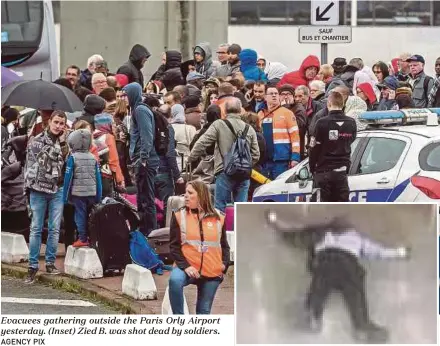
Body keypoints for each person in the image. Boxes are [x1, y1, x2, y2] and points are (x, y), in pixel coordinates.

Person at [266, 213, 409, 343]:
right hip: (347, 265)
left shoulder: (322, 233)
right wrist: (399, 253)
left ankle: (313, 317)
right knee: (355, 294)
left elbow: (294, 235)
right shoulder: (352, 236)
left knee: (319, 288)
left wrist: (276, 223)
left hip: (327, 263)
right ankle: (362, 327)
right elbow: (377, 251)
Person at [168, 180, 230, 314]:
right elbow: (174, 246)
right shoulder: (179, 215)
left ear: (201, 195)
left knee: (203, 312)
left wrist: (224, 265)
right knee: (175, 281)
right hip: (187, 266)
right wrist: (186, 266)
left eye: (190, 193)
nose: (185, 196)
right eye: (185, 192)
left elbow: (224, 245)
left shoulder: (219, 217)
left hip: (212, 270)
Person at [189, 98, 260, 211]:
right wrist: (244, 164)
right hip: (244, 174)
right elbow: (256, 154)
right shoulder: (249, 128)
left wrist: (191, 157)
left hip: (224, 171)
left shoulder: (219, 124)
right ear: (240, 110)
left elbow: (202, 142)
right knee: (241, 209)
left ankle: (222, 228)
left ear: (225, 111)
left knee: (220, 207)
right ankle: (238, 228)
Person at [24, 111, 69, 284]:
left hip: (57, 189)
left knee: (55, 227)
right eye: (56, 122)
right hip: (39, 189)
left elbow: (66, 164)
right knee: (36, 227)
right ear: (49, 122)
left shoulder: (64, 143)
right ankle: (32, 266)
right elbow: (43, 165)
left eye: (62, 123)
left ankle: (50, 262)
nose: (59, 126)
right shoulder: (37, 141)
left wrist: (64, 146)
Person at [123, 82, 159, 236]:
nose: (124, 99)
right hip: (143, 159)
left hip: (145, 160)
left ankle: (149, 232)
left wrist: (143, 158)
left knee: (146, 197)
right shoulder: (137, 110)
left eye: (125, 95)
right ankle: (145, 230)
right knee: (143, 196)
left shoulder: (140, 110)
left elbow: (147, 135)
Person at [309, 91, 357, 202]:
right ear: (343, 104)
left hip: (323, 172)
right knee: (341, 210)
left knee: (320, 210)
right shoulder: (351, 123)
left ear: (328, 104)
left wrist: (312, 168)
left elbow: (313, 147)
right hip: (342, 173)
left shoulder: (321, 123)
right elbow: (351, 141)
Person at [63, 129, 102, 248]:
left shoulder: (72, 158)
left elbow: (68, 179)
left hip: (78, 194)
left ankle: (82, 238)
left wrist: (65, 197)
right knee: (90, 216)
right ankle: (91, 237)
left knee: (79, 215)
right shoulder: (93, 158)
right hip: (92, 192)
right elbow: (98, 178)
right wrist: (98, 195)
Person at [258, 86, 300, 180]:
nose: (274, 96)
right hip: (264, 160)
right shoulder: (260, 114)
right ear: (265, 97)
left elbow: (295, 137)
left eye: (276, 94)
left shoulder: (287, 113)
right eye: (271, 94)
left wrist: (295, 157)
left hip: (281, 159)